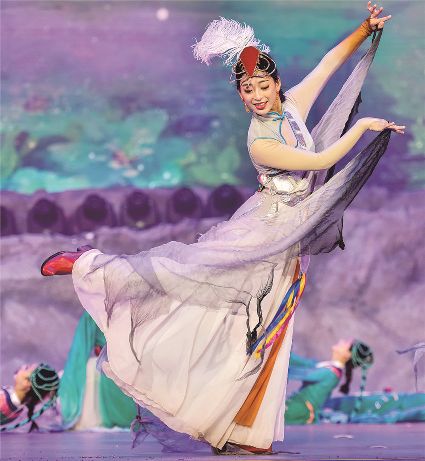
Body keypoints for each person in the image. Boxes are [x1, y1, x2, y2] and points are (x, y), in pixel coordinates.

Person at [40, 2, 405, 455]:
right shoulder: (261, 140)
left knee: (263, 333)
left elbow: (329, 63)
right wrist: (364, 126)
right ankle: (90, 264)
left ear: (276, 84)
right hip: (265, 233)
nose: (257, 95)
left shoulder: (291, 107)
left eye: (262, 86)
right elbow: (320, 161)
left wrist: (364, 30)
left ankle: (246, 429)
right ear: (241, 96)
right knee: (190, 282)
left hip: (290, 240)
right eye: (248, 90)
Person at [59, 311, 137, 430]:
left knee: (91, 368)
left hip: (118, 366)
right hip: (134, 367)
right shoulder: (130, 309)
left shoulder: (93, 312)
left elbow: (79, 350)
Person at [285, 339, 373, 424]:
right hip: (296, 406)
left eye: (346, 343)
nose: (341, 341)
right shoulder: (327, 367)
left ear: (347, 355)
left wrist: (282, 361)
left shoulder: (331, 373)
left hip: (300, 412)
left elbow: (299, 373)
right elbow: (303, 363)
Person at [1, 363, 59, 432]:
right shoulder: (21, 411)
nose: (23, 366)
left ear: (27, 382)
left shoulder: (3, 401)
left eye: (26, 368)